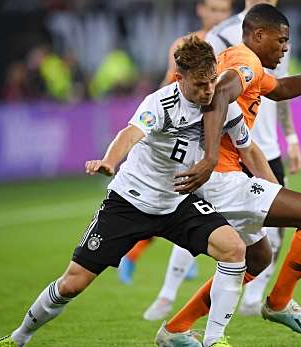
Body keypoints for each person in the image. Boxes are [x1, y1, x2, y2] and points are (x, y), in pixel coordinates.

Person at [0, 36, 261, 347]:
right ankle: (18, 339)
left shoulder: (222, 103)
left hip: (177, 202)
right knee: (72, 284)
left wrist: (271, 188)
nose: (208, 90)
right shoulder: (161, 104)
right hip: (130, 202)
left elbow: (248, 147)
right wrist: (110, 161)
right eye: (199, 84)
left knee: (234, 249)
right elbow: (129, 134)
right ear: (180, 79)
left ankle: (214, 340)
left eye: (212, 81)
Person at [156, 4, 301, 345]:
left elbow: (283, 89)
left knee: (258, 257)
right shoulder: (245, 63)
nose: (286, 48)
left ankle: (175, 329)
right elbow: (219, 96)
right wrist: (211, 158)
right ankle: (278, 303)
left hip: (227, 174)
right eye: (281, 40)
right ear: (259, 36)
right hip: (220, 179)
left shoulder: (249, 62)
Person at [143, 0, 301, 321]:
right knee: (202, 220)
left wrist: (291, 137)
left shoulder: (278, 33)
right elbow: (205, 85)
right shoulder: (225, 36)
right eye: (211, 8)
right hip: (231, 145)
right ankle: (168, 294)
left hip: (265, 146)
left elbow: (281, 89)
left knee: (273, 226)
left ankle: (255, 298)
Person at [118, 0, 234, 291]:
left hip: (221, 130)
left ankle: (178, 259)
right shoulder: (183, 47)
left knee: (196, 201)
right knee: (174, 197)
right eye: (214, 10)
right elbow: (172, 85)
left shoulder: (231, 44)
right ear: (201, 10)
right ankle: (145, 260)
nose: (219, 16)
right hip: (186, 133)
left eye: (224, 11)